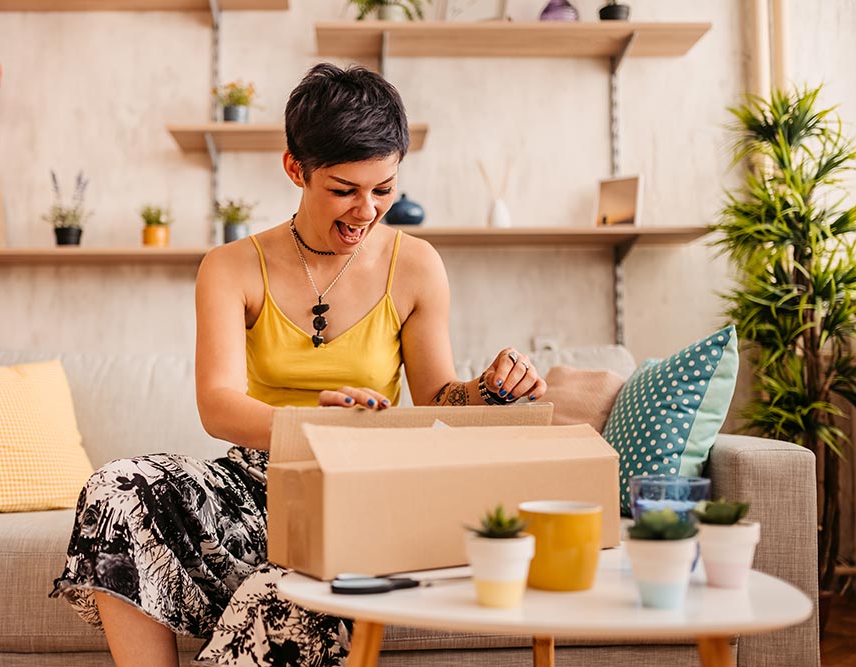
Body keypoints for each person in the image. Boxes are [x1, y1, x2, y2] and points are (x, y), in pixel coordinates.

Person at [50, 62, 547, 667]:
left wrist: (491, 389)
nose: (366, 211)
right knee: (116, 487)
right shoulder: (231, 266)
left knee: (287, 601)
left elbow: (438, 399)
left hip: (357, 495)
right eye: (344, 189)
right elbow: (219, 405)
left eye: (384, 189)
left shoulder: (417, 267)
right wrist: (314, 420)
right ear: (295, 168)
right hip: (254, 487)